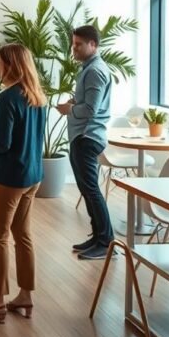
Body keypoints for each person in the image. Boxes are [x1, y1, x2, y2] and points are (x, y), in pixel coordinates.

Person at [0, 43, 47, 323]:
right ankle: (25, 295)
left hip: (9, 178)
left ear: (10, 65)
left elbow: (3, 142)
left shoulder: (7, 99)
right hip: (33, 176)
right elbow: (26, 139)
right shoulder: (38, 96)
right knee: (23, 235)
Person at [57, 24, 113, 260]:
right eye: (74, 44)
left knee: (91, 189)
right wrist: (75, 101)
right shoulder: (89, 68)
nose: (74, 49)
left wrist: (69, 109)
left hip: (87, 136)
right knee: (87, 189)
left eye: (79, 44)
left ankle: (106, 242)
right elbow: (89, 102)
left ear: (94, 45)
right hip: (84, 136)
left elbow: (90, 110)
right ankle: (98, 235)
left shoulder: (94, 71)